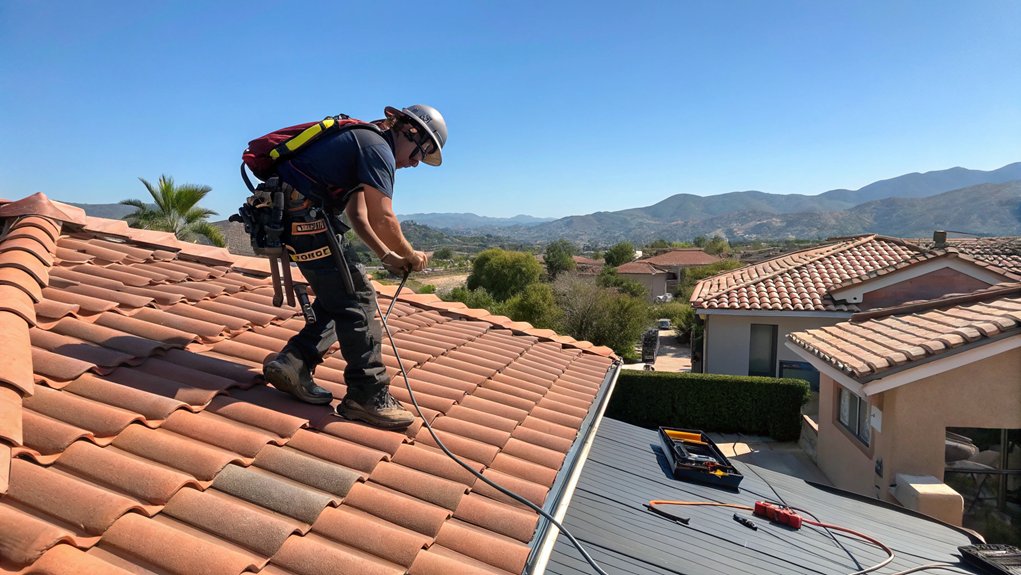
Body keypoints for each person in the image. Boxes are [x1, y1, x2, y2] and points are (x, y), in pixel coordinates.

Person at [262, 104, 447, 430]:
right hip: (304, 216)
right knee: (358, 296)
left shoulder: (366, 142)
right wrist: (412, 254)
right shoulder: (378, 149)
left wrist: (388, 256)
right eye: (421, 152)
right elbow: (383, 218)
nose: (416, 162)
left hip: (287, 218)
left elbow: (359, 217)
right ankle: (368, 395)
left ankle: (294, 362)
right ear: (410, 131)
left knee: (340, 294)